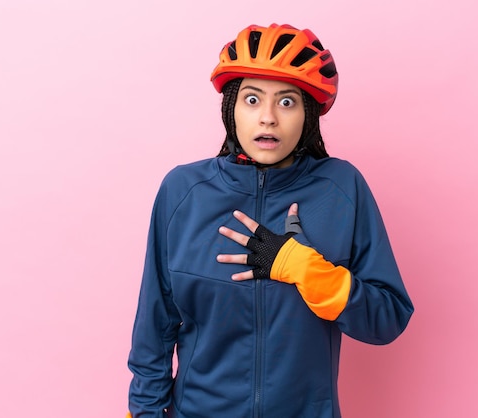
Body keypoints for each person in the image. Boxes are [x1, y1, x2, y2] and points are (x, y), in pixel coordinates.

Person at [126, 23, 414, 418]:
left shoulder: (341, 188)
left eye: (286, 102)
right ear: (231, 107)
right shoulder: (183, 192)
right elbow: (154, 328)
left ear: (307, 113)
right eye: (251, 99)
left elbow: (388, 318)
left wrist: (306, 270)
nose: (267, 118)